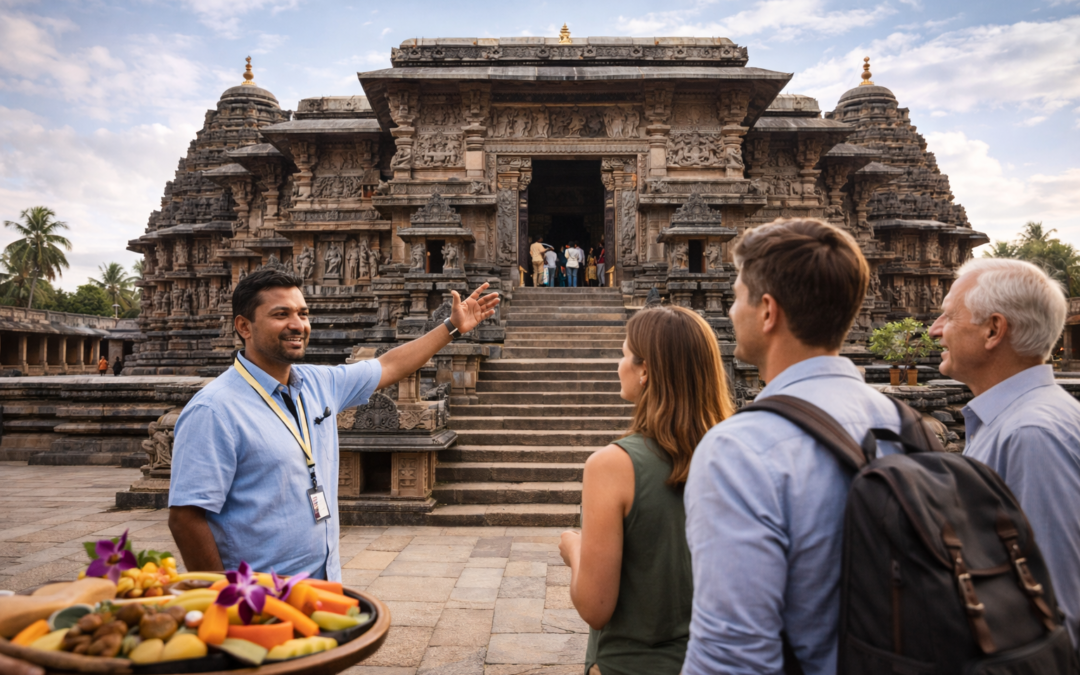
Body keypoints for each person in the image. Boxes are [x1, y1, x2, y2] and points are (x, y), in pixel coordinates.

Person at [168, 268, 498, 580]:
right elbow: (185, 518)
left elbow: (388, 366)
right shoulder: (214, 409)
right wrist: (224, 599)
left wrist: (451, 328)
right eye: (281, 314)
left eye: (303, 313)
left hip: (323, 584)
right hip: (257, 599)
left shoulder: (318, 383)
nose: (297, 324)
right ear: (244, 326)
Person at [683, 218, 904, 675]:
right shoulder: (905, 424)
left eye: (736, 297)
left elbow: (732, 656)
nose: (728, 312)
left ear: (768, 311)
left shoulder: (741, 449)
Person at [560, 305, 733, 675]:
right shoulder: (742, 454)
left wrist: (573, 548)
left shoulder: (612, 466)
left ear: (646, 370)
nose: (618, 365)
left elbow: (596, 606)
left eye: (624, 354)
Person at [928, 257, 1080, 652]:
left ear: (994, 329)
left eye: (948, 316)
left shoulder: (1032, 435)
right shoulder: (1009, 420)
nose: (934, 330)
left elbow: (1059, 601)